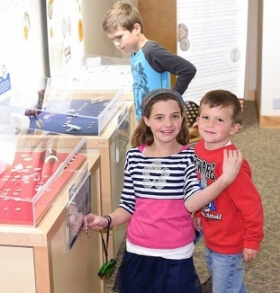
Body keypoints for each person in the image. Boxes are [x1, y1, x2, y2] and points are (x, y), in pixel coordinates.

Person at [83, 88, 243, 293]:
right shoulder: (133, 156)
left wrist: (223, 182)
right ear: (147, 120)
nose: (168, 124)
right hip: (137, 250)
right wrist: (106, 220)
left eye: (174, 116)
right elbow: (128, 205)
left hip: (176, 253)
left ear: (182, 118)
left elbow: (197, 198)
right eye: (159, 117)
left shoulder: (191, 157)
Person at [193, 90, 264, 293]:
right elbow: (201, 186)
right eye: (206, 117)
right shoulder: (199, 149)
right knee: (230, 285)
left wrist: (252, 240)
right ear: (197, 120)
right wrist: (198, 212)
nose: (210, 124)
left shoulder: (233, 164)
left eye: (219, 120)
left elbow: (252, 205)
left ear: (234, 128)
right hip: (213, 235)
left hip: (231, 245)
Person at [102, 2, 196, 122]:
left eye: (119, 37)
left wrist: (172, 99)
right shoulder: (134, 52)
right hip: (145, 121)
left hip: (159, 123)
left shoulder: (151, 51)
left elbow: (188, 69)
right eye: (112, 39)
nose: (116, 43)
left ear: (136, 28)